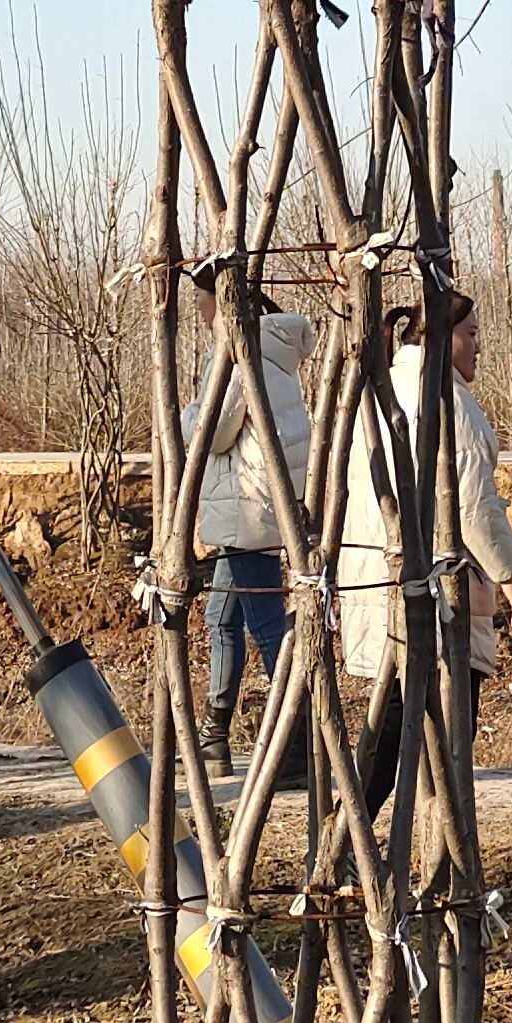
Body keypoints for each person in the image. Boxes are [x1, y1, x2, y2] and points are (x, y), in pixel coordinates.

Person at [339, 292, 512, 803]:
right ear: (443, 339)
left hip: (378, 579)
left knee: (397, 723)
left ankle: (352, 840)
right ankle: (411, 852)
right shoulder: (444, 400)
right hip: (435, 592)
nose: (478, 347)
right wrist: (511, 576)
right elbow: (473, 504)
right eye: (470, 334)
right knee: (443, 733)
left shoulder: (381, 390)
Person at [183, 255, 312, 783]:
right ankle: (215, 735)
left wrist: (187, 412)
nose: (198, 308)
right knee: (223, 617)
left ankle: (300, 741)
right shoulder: (270, 350)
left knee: (265, 627)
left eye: (202, 298)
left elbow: (212, 431)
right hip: (260, 505)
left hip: (246, 507)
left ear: (224, 299)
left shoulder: (242, 352)